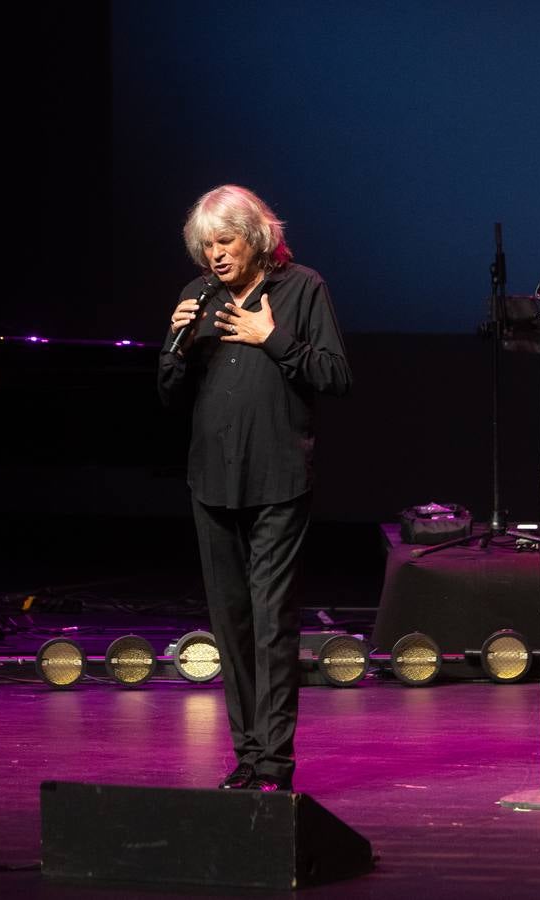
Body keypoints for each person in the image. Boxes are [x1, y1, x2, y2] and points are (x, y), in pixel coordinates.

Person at [158, 185, 351, 792]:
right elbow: (168, 394)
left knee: (271, 623)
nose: (215, 255)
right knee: (231, 624)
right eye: (206, 245)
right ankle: (245, 758)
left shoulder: (302, 288)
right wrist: (176, 346)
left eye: (226, 241)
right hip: (211, 480)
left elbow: (335, 375)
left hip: (277, 480)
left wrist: (273, 338)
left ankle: (274, 763)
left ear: (256, 237)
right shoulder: (197, 298)